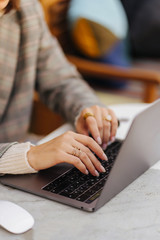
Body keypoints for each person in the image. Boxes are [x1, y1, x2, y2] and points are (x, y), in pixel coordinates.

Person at [0, 0, 118, 177]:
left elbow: (60, 79)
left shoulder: (26, 10)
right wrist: (27, 156)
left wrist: (86, 109)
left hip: (19, 165)